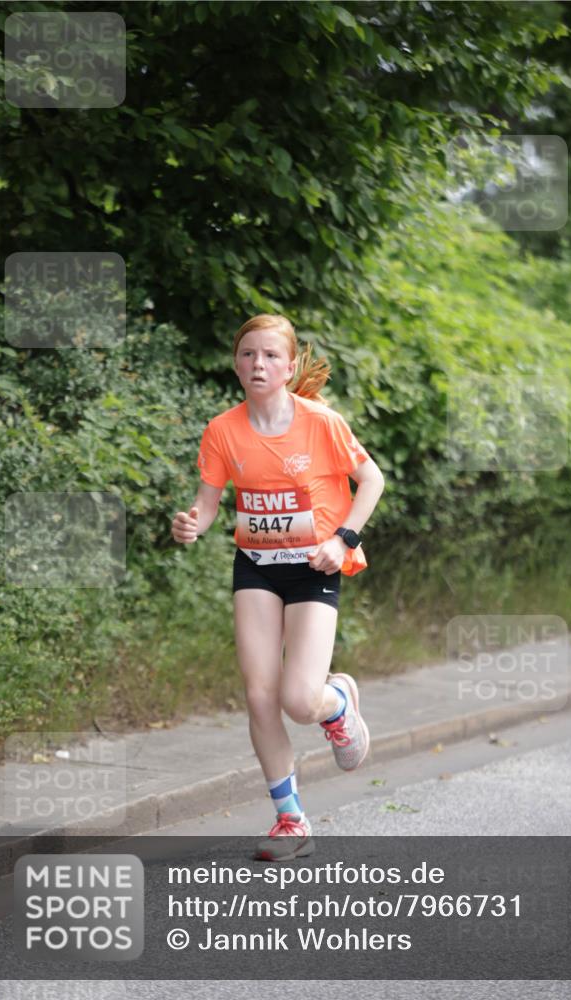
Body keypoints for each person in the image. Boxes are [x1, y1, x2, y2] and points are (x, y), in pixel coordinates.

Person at [171, 313, 385, 861]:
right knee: (260, 695)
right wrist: (194, 521)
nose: (257, 364)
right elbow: (211, 502)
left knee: (298, 699)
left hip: (315, 566)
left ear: (290, 367)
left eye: (269, 356)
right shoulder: (223, 429)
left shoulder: (321, 422)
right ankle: (290, 820)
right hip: (258, 568)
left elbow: (372, 480)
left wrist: (343, 539)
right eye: (247, 354)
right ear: (236, 364)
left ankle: (337, 704)